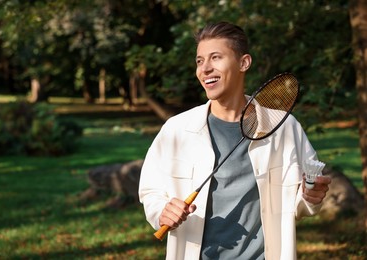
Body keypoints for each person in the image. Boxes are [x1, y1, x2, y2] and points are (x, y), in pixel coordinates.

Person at [138, 21, 331, 260]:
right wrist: (161, 212)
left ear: (243, 63)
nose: (205, 68)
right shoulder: (176, 129)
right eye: (199, 61)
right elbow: (151, 190)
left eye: (215, 57)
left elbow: (303, 199)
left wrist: (310, 196)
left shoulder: (284, 127)